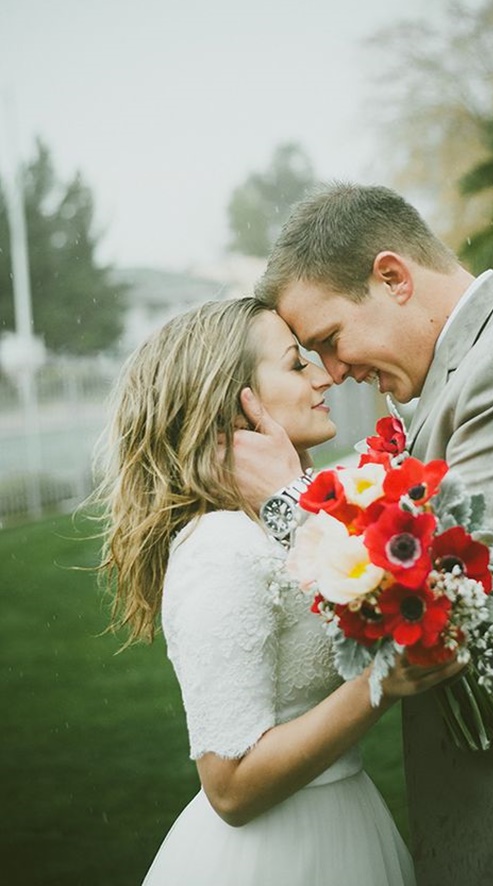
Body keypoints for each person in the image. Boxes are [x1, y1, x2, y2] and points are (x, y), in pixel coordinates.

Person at [229, 183, 493, 885]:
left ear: (393, 277)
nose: (334, 374)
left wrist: (286, 502)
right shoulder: (466, 371)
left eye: (330, 341)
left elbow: (446, 597)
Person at [96, 297, 460, 885]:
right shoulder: (219, 547)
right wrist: (378, 685)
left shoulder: (279, 522)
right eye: (297, 364)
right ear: (235, 399)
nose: (324, 376)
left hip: (346, 818)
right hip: (280, 853)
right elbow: (230, 786)